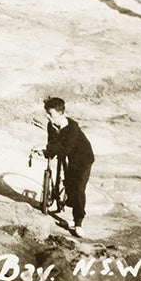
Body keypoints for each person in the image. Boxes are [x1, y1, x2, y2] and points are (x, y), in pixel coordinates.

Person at [36, 97, 94, 237]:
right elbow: (52, 143)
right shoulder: (51, 125)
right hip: (70, 157)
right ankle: (67, 200)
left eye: (50, 114)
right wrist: (46, 152)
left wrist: (46, 149)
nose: (48, 116)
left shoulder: (72, 126)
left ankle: (78, 222)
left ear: (60, 113)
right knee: (69, 185)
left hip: (83, 159)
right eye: (47, 113)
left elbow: (65, 148)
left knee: (78, 189)